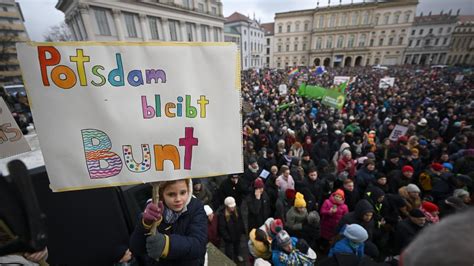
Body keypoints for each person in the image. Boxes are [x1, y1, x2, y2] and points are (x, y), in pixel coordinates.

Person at [130, 179, 207, 265]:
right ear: (161, 194)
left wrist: (167, 245)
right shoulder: (152, 210)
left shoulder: (196, 207)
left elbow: (199, 245)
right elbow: (136, 248)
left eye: (183, 193)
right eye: (171, 194)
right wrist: (145, 225)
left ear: (189, 190)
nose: (178, 199)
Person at [218, 196, 245, 263]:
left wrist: (242, 230)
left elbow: (241, 220)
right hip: (229, 237)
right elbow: (222, 228)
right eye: (231, 206)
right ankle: (230, 260)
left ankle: (237, 254)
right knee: (228, 250)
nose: (232, 208)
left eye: (233, 206)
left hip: (237, 234)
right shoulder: (222, 214)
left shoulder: (237, 210)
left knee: (237, 246)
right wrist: (227, 237)